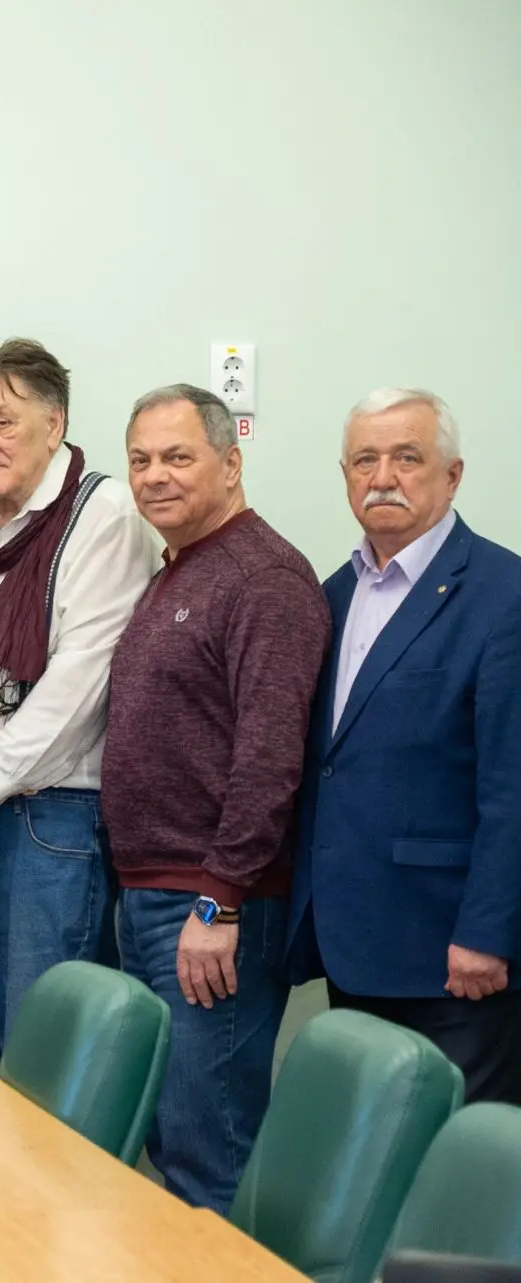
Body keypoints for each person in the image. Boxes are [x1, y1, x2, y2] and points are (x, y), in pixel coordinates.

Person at [103, 383, 330, 1213]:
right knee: (174, 1137)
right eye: (140, 460)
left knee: (212, 1148)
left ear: (231, 464)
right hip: (151, 894)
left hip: (211, 905)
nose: (154, 475)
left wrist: (220, 899)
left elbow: (269, 757)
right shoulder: (178, 570)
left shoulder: (263, 577)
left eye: (177, 456)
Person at [0, 339, 159, 1069]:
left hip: (46, 825)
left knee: (37, 1073)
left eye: (1, 422)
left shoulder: (104, 514)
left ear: (56, 424)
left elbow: (81, 687)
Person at [292, 388, 521, 1105]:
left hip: (452, 954)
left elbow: (513, 786)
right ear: (345, 475)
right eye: (365, 459)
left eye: (407, 457)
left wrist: (489, 932)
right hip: (353, 942)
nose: (383, 477)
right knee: (368, 1151)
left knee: (455, 1155)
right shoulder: (332, 594)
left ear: (452, 475)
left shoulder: (504, 594)